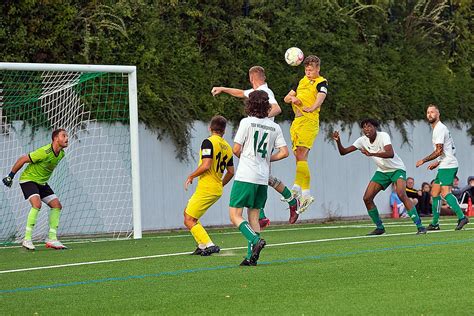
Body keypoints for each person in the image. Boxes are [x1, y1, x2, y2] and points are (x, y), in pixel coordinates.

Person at [211, 66, 299, 226]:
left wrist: (259, 119)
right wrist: (223, 89)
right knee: (261, 177)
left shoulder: (266, 92)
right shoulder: (257, 92)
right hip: (261, 137)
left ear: (252, 78)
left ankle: (289, 201)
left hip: (263, 137)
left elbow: (277, 108)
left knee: (259, 176)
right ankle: (266, 213)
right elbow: (239, 93)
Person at [333, 119, 426, 235]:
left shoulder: (383, 136)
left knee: (401, 194)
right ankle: (379, 227)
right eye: (364, 127)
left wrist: (371, 154)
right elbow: (344, 152)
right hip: (382, 171)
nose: (367, 129)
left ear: (375, 127)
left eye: (369, 126)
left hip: (397, 169)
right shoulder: (362, 140)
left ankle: (420, 226)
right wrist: (338, 141)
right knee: (367, 198)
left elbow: (390, 153)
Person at [229, 90, 289, 266]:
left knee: (235, 215)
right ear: (267, 106)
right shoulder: (274, 127)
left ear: (250, 105)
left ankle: (255, 241)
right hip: (263, 178)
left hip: (246, 175)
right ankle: (250, 258)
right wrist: (267, 158)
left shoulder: (246, 122)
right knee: (254, 216)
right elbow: (284, 152)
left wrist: (247, 156)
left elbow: (235, 149)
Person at [2, 129, 69, 250]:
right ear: (55, 139)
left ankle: (52, 239)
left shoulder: (61, 154)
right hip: (28, 180)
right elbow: (22, 159)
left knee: (57, 206)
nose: (66, 138)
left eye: (67, 136)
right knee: (37, 204)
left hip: (42, 183)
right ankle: (27, 239)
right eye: (63, 136)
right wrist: (10, 176)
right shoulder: (44, 152)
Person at [183, 115, 234, 256]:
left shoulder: (208, 142)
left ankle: (209, 245)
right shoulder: (228, 148)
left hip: (207, 187)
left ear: (210, 128)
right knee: (190, 215)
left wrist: (191, 175)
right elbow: (231, 172)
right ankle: (201, 245)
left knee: (188, 219)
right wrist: (220, 183)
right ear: (224, 131)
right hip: (216, 188)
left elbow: (206, 165)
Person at [284, 55, 328, 213]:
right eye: (306, 69)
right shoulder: (301, 81)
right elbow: (286, 98)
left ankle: (306, 193)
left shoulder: (321, 82)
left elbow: (322, 96)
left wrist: (313, 106)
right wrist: (293, 99)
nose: (308, 72)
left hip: (309, 122)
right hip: (297, 123)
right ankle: (297, 187)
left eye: (311, 69)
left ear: (318, 69)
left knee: (301, 154)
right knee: (298, 156)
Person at [416, 104, 469, 230]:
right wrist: (438, 162)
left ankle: (462, 217)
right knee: (434, 193)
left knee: (445, 193)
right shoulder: (438, 129)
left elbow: (439, 151)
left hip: (448, 165)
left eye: (432, 112)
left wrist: (423, 160)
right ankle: (435, 223)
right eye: (428, 112)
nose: (430, 114)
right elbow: (450, 150)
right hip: (445, 164)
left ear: (438, 114)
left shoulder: (439, 128)